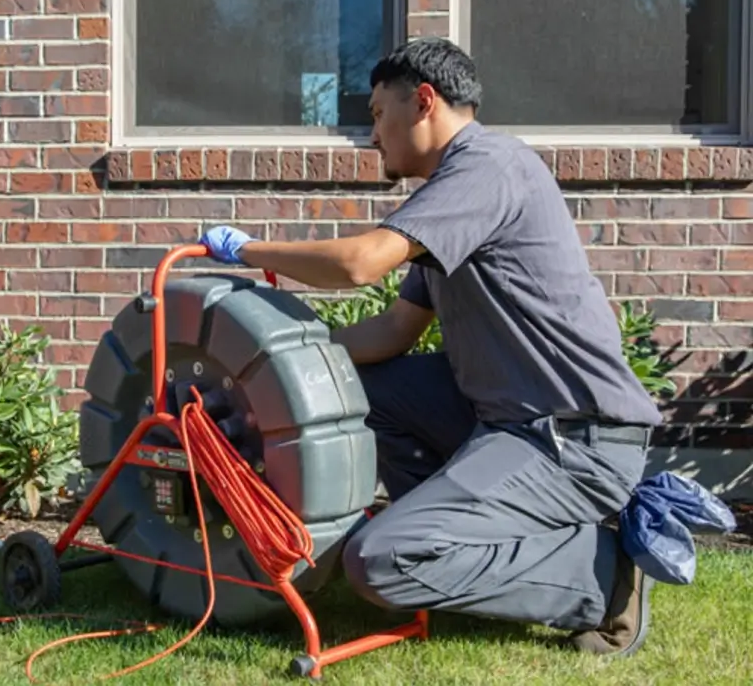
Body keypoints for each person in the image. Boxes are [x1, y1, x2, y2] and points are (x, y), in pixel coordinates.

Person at [199, 37, 661, 657]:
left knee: (380, 563)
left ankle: (598, 578)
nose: (373, 137)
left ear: (423, 102)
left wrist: (248, 251)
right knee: (359, 391)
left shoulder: (488, 168)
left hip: (574, 438)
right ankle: (457, 536)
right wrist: (285, 362)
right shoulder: (452, 196)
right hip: (505, 419)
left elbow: (361, 263)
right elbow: (393, 332)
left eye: (378, 115)